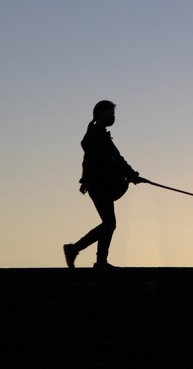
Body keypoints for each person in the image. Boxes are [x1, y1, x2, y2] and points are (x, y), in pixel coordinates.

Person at [63, 100, 143, 268]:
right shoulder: (95, 134)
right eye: (109, 114)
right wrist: (85, 180)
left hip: (103, 184)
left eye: (113, 114)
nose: (112, 117)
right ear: (99, 114)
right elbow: (89, 158)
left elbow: (118, 158)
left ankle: (76, 250)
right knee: (109, 223)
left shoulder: (101, 134)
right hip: (98, 184)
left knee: (109, 223)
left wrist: (133, 175)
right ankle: (96, 260)